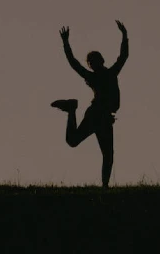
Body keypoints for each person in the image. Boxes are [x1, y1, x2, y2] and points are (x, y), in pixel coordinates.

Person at [51, 21, 129, 188]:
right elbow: (123, 56)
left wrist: (66, 43)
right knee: (106, 154)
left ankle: (71, 109)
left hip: (99, 116)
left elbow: (74, 63)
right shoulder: (110, 73)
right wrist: (124, 36)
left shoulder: (97, 76)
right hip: (99, 116)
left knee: (79, 144)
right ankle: (105, 186)